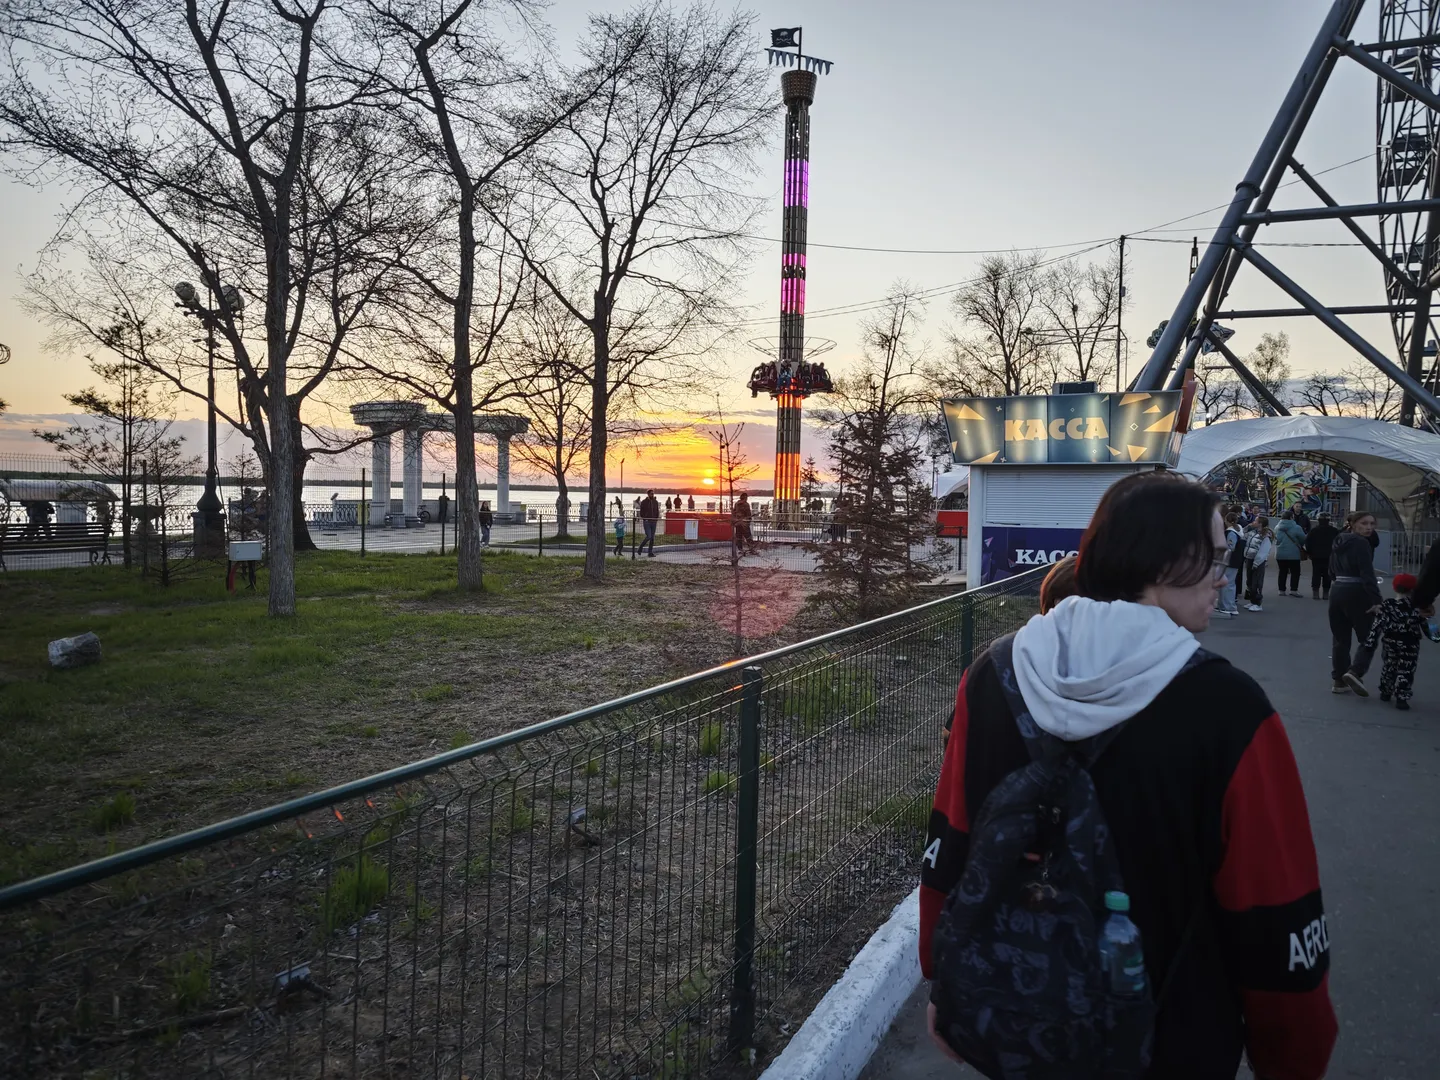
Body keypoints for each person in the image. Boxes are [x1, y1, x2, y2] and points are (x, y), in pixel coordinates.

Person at [920, 472, 1335, 1079]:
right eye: (1215, 556)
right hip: (1171, 1036)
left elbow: (950, 835)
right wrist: (1293, 1055)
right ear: (1164, 561)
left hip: (1013, 1017)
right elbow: (1273, 903)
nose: (1225, 573)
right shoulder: (1227, 706)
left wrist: (944, 981)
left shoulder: (994, 673)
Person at [1330, 510, 1382, 695]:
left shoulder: (1338, 540)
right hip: (1357, 592)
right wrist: (1377, 600)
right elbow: (1367, 573)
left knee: (1340, 639)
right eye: (1364, 523)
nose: (1369, 528)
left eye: (1372, 524)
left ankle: (1339, 681)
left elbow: (1331, 571)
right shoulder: (1361, 543)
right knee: (1369, 637)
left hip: (1336, 591)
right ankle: (1355, 671)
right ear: (1353, 525)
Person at [1362, 572, 1430, 710]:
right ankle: (1402, 697)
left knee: (1389, 665)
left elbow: (1377, 626)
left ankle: (1386, 691)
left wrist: (1370, 643)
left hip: (1390, 641)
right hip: (1410, 644)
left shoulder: (1387, 605)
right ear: (1413, 590)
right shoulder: (1416, 608)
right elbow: (1426, 626)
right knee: (1406, 669)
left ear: (1394, 588)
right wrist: (1436, 637)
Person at [1303, 512, 1339, 600]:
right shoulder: (1334, 531)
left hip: (1316, 556)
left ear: (1318, 520)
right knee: (1327, 574)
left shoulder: (1314, 531)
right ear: (1329, 520)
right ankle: (1326, 593)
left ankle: (1315, 592)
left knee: (1316, 573)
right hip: (1330, 555)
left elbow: (1308, 543)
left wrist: (1309, 553)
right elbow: (1338, 543)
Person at [1217, 511, 1244, 617]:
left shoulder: (1231, 533)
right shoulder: (1237, 531)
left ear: (1226, 520)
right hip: (1234, 561)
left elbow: (1230, 548)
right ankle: (1224, 605)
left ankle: (1228, 607)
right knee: (1229, 584)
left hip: (1229, 561)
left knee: (1228, 584)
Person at [1244, 516, 1273, 612]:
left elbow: (1263, 551)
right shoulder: (1252, 532)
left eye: (1256, 521)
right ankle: (1252, 601)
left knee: (1256, 582)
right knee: (1250, 581)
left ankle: (1257, 603)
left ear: (1260, 523)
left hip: (1258, 561)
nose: (1253, 522)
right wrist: (1248, 527)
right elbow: (1243, 535)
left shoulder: (1265, 535)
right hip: (1249, 558)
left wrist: (1257, 562)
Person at [1274, 510, 1306, 597]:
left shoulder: (1277, 527)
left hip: (1280, 553)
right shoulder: (1297, 527)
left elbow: (1276, 539)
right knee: (1295, 572)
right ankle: (1293, 590)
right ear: (1292, 517)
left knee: (1282, 571)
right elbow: (1303, 539)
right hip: (1294, 554)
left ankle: (1281, 590)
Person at [638, 489, 660, 557]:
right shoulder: (644, 502)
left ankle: (650, 552)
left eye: (653, 494)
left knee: (652, 537)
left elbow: (657, 511)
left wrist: (656, 518)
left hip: (654, 522)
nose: (652, 495)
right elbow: (641, 512)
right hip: (647, 521)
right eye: (651, 494)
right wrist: (645, 518)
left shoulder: (655, 502)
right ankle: (640, 547)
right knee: (649, 536)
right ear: (648, 494)